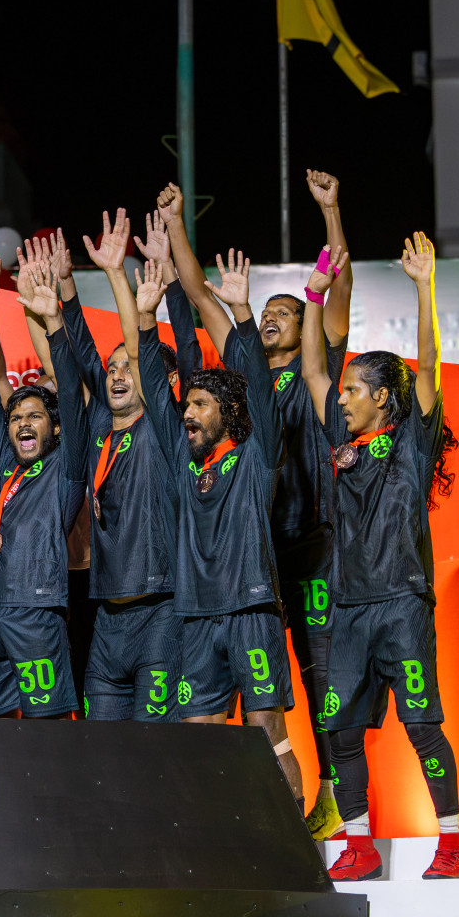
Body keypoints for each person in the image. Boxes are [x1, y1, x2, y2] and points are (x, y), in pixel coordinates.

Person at [160, 173, 350, 836]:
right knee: (236, 706)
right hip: (252, 547)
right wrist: (179, 223)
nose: (271, 316)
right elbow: (196, 292)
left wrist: (329, 213)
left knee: (320, 677)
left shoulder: (316, 368)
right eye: (264, 312)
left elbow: (336, 287)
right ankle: (235, 832)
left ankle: (331, 800)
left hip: (311, 542)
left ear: (306, 327)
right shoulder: (237, 387)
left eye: (286, 312)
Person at [299, 236, 459, 880]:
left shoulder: (411, 443)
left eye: (355, 390)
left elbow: (426, 369)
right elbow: (314, 372)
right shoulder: (342, 444)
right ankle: (359, 846)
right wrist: (314, 297)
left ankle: (450, 841)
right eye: (344, 392)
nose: (342, 397)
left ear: (384, 399)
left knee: (422, 726)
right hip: (347, 609)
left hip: (401, 606)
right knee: (339, 733)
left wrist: (424, 286)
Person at [133, 251, 304, 805]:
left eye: (201, 404)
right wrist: (143, 318)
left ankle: (297, 847)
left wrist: (243, 315)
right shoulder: (186, 464)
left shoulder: (256, 455)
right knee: (199, 738)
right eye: (189, 404)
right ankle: (217, 847)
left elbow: (257, 381)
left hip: (251, 610)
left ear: (227, 413)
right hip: (196, 615)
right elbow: (156, 391)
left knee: (265, 728)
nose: (188, 413)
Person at [62, 212, 196, 721]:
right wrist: (65, 289)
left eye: (130, 368)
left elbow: (142, 358)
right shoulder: (102, 431)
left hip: (160, 612)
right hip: (106, 615)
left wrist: (118, 277)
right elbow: (76, 351)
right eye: (112, 369)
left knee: (154, 756)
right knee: (104, 758)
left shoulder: (165, 431)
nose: (118, 375)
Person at [0, 252, 86, 719]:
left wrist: (54, 322)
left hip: (36, 611)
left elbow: (71, 396)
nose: (21, 424)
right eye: (17, 419)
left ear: (53, 429)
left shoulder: (66, 467)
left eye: (34, 416)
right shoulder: (5, 461)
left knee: (45, 729)